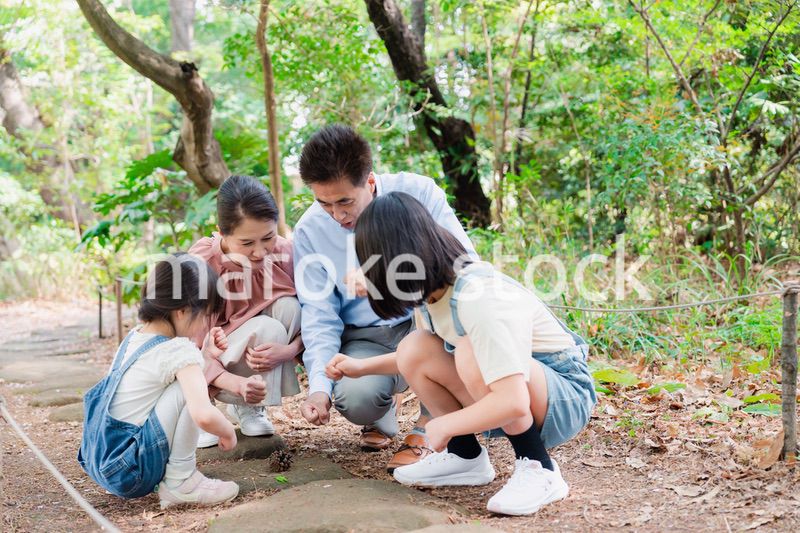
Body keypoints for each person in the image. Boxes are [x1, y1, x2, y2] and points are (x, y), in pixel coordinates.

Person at [326, 192, 596, 516]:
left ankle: (539, 466)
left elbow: (513, 401)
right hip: (524, 387)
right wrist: (360, 367)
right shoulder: (434, 292)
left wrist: (445, 424)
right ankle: (465, 457)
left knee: (468, 351)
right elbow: (418, 358)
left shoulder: (477, 297)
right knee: (415, 347)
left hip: (563, 397)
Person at [293, 124, 477, 471]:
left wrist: (386, 276)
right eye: (324, 203)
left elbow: (465, 268)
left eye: (345, 201)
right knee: (357, 398)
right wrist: (319, 386)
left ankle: (429, 425)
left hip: (425, 321)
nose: (338, 215)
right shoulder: (310, 230)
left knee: (443, 308)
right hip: (367, 336)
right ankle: (382, 410)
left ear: (371, 183)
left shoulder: (418, 192)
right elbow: (318, 313)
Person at [78, 253, 240, 509]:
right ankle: (182, 482)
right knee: (188, 387)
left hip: (100, 459)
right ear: (183, 311)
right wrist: (228, 432)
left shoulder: (135, 338)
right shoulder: (179, 351)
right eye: (205, 315)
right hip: (131, 471)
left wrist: (205, 357)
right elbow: (203, 415)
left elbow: (166, 374)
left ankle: (176, 479)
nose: (206, 325)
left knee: (188, 379)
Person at [189, 175, 303, 447]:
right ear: (222, 232)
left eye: (267, 238)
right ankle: (199, 405)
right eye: (247, 243)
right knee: (269, 328)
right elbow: (187, 341)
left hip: (254, 353)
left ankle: (249, 406)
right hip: (207, 352)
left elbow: (317, 316)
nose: (260, 252)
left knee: (290, 307)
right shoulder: (203, 262)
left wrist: (290, 350)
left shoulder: (285, 253)